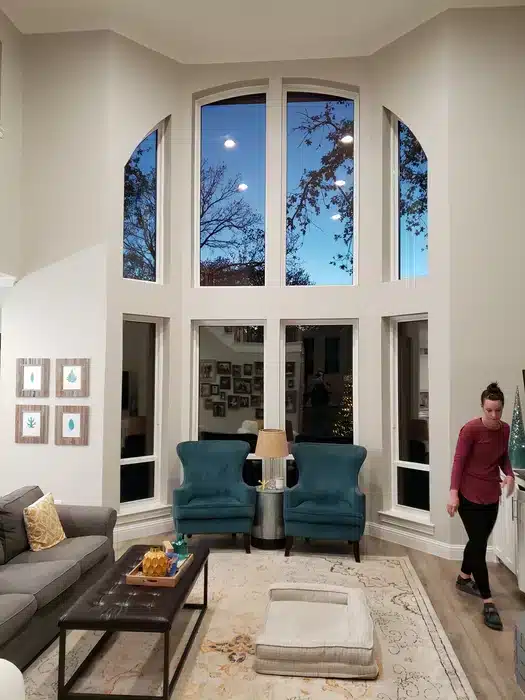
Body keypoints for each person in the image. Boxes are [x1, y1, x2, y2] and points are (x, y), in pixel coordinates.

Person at [447, 382, 515, 631]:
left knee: (478, 542)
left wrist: (509, 475)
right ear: (482, 407)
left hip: (491, 495)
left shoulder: (505, 430)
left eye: (498, 410)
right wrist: (453, 493)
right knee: (478, 545)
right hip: (468, 496)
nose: (494, 415)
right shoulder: (470, 430)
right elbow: (458, 461)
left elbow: (503, 457)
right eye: (489, 410)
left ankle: (464, 578)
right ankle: (488, 601)